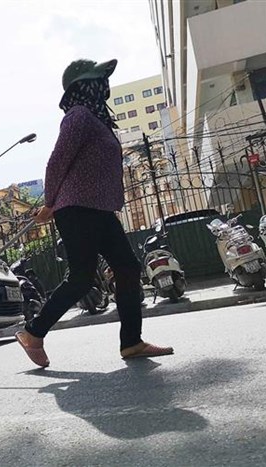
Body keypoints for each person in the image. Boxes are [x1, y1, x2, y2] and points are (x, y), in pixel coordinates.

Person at [15, 58, 173, 367]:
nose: (105, 86)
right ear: (84, 87)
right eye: (99, 80)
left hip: (99, 210)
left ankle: (131, 342)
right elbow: (56, 162)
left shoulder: (97, 120)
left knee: (127, 268)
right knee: (82, 278)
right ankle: (34, 333)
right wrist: (49, 203)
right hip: (76, 210)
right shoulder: (79, 116)